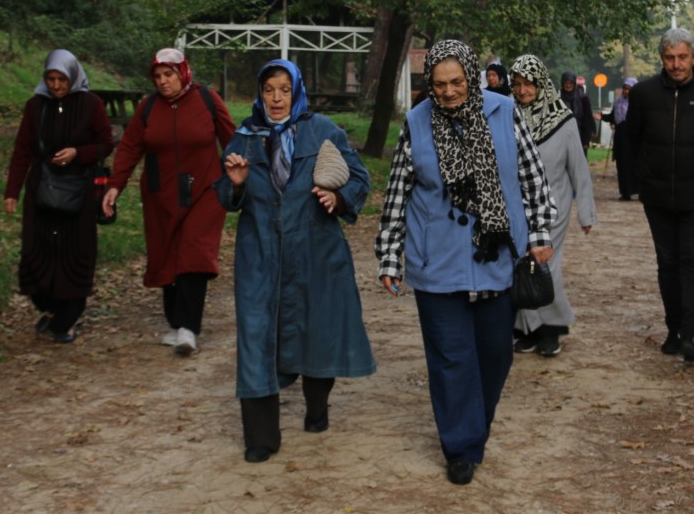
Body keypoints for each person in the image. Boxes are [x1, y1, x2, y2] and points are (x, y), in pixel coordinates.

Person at [375, 40, 556, 486]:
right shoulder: (416, 122)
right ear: (429, 85)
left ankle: (473, 427)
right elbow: (398, 192)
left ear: (471, 77)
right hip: (436, 260)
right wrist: (389, 255)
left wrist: (537, 236)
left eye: (457, 82)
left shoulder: (503, 110)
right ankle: (460, 447)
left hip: (497, 258)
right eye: (440, 84)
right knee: (451, 358)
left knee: (495, 358)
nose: (450, 91)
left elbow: (534, 180)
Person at [217, 59, 377, 464]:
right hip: (260, 255)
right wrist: (235, 186)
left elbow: (360, 179)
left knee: (317, 328)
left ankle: (317, 407)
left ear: (297, 92)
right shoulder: (244, 138)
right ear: (259, 92)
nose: (275, 98)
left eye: (284, 90)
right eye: (269, 89)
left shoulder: (322, 131)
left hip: (315, 250)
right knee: (255, 337)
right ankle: (260, 438)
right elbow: (223, 196)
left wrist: (337, 199)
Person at [105, 47, 235, 356]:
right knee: (167, 252)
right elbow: (129, 148)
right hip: (160, 193)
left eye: (169, 75)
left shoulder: (207, 100)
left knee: (193, 251)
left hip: (204, 189)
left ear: (183, 72)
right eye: (158, 76)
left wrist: (246, 178)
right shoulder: (148, 108)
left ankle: (189, 327)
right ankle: (177, 323)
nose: (163, 82)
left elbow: (234, 140)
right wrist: (114, 187)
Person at [625, 28, 694, 364]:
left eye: (682, 57)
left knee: (692, 261)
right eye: (670, 57)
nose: (676, 64)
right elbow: (633, 139)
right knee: (668, 264)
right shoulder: (644, 94)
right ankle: (673, 329)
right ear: (662, 58)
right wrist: (644, 177)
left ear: (693, 57)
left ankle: (692, 332)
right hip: (658, 197)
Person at [3, 49, 115, 344]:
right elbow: (22, 150)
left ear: (73, 77)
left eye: (61, 79)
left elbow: (106, 143)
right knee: (38, 252)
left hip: (78, 192)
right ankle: (50, 309)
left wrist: (79, 153)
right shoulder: (35, 106)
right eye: (50, 79)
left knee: (73, 252)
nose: (55, 85)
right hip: (42, 191)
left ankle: (66, 319)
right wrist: (12, 191)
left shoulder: (91, 105)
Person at [508, 54, 596, 358]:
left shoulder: (563, 121)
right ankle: (527, 330)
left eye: (528, 83)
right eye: (517, 84)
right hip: (516, 210)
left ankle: (552, 329)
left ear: (541, 83)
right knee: (522, 267)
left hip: (553, 209)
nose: (522, 91)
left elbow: (578, 169)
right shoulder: (507, 117)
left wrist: (586, 212)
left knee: (545, 267)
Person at [611, 77, 639, 201]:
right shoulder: (618, 102)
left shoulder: (639, 103)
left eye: (629, 89)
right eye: (625, 89)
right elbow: (613, 117)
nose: (626, 91)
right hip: (621, 139)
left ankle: (639, 191)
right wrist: (602, 117)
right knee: (622, 166)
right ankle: (625, 192)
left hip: (634, 138)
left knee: (635, 166)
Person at [559, 72, 596, 148]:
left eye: (570, 83)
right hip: (562, 135)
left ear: (574, 83)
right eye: (566, 83)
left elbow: (588, 119)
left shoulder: (583, 97)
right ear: (562, 83)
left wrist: (586, 140)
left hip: (579, 135)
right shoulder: (558, 96)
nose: (568, 85)